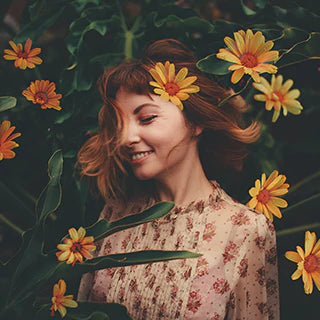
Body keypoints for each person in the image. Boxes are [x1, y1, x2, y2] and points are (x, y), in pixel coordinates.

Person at [76, 38, 280, 320]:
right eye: (119, 124)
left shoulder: (245, 229)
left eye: (146, 118)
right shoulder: (114, 212)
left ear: (194, 122)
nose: (125, 138)